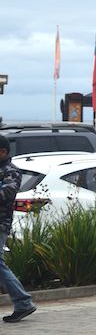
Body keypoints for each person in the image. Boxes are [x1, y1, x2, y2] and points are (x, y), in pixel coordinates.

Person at [0, 135, 37, 322]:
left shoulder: (10, 171)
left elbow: (7, 193)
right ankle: (23, 302)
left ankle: (23, 302)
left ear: (4, 152)